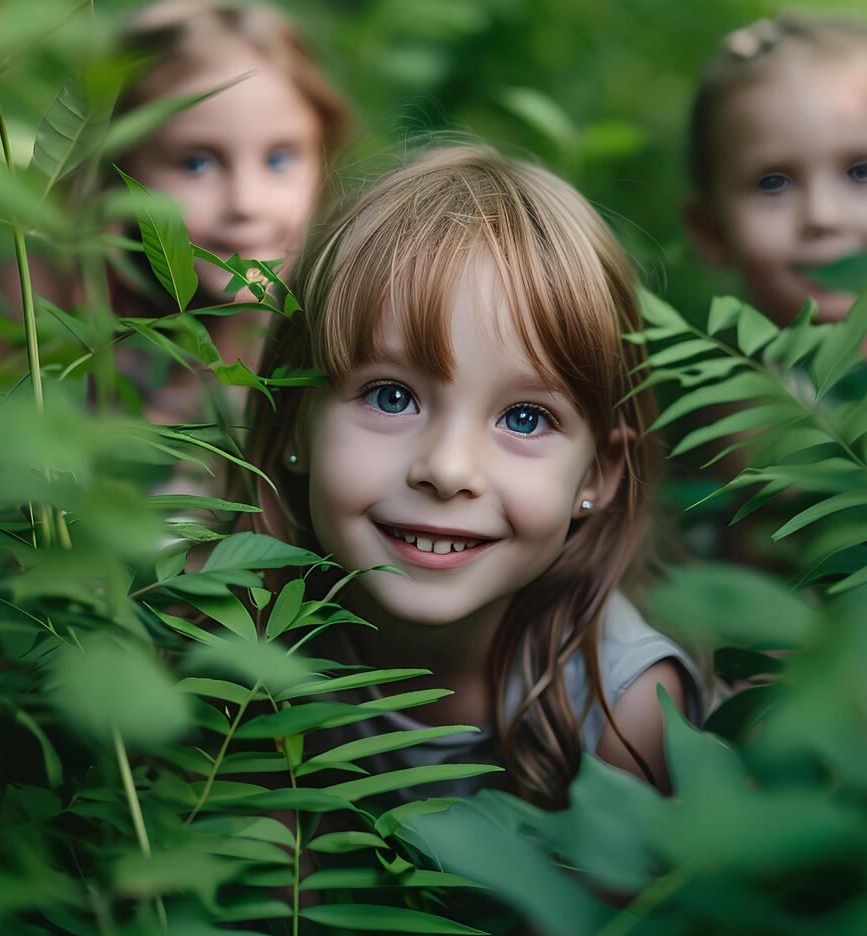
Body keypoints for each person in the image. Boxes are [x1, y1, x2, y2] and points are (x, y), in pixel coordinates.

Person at [245, 145, 708, 809]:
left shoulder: (625, 713)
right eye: (391, 396)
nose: (449, 470)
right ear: (292, 424)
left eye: (523, 417)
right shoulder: (240, 655)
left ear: (599, 474)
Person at [112, 0, 349, 423]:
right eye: (196, 163)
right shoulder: (46, 323)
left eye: (279, 159)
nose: (246, 202)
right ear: (120, 168)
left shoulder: (341, 343)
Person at [683, 13, 867, 365]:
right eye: (773, 182)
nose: (823, 214)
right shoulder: (738, 405)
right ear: (710, 230)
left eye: (861, 172)